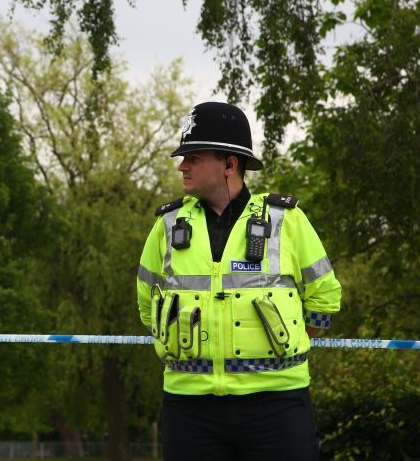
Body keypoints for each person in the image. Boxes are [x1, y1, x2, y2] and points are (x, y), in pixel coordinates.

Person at [136, 101, 342, 461]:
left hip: (277, 405)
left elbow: (324, 298)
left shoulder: (286, 221)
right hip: (189, 408)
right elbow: (146, 304)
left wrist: (277, 355)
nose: (182, 165)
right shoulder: (167, 226)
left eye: (194, 157)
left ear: (230, 164)